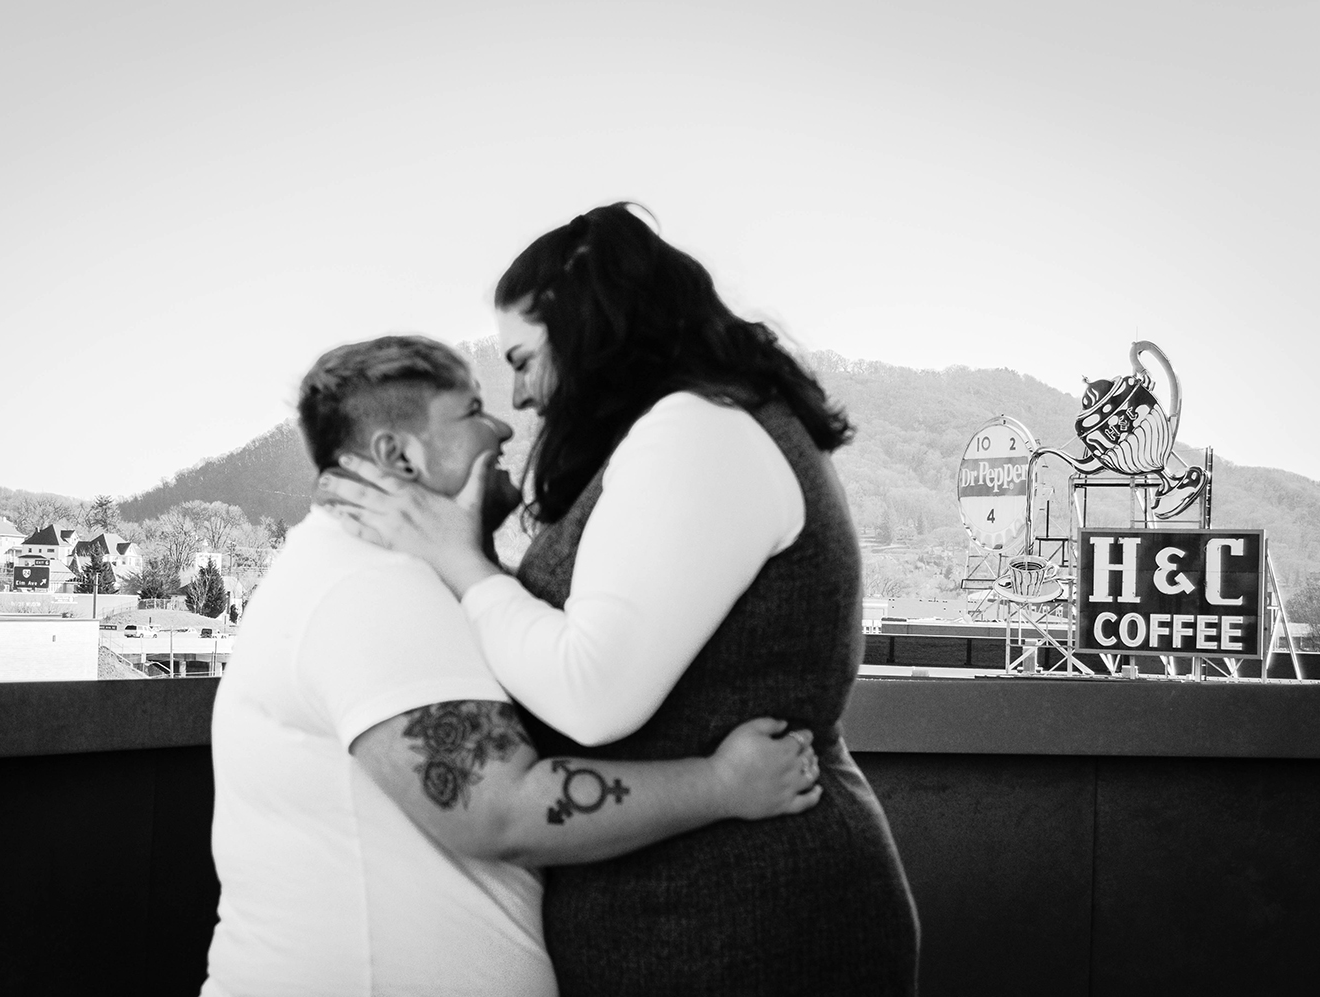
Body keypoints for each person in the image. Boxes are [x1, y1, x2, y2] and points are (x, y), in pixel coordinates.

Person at [320, 205, 921, 995]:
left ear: (588, 328)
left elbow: (592, 691)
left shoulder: (699, 431)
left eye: (525, 357)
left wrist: (459, 561)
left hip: (750, 929)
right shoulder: (690, 428)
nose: (520, 395)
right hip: (701, 926)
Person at [202, 335, 823, 997]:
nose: (500, 425)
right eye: (471, 411)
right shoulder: (369, 586)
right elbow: (498, 808)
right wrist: (724, 784)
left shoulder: (385, 571)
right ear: (399, 454)